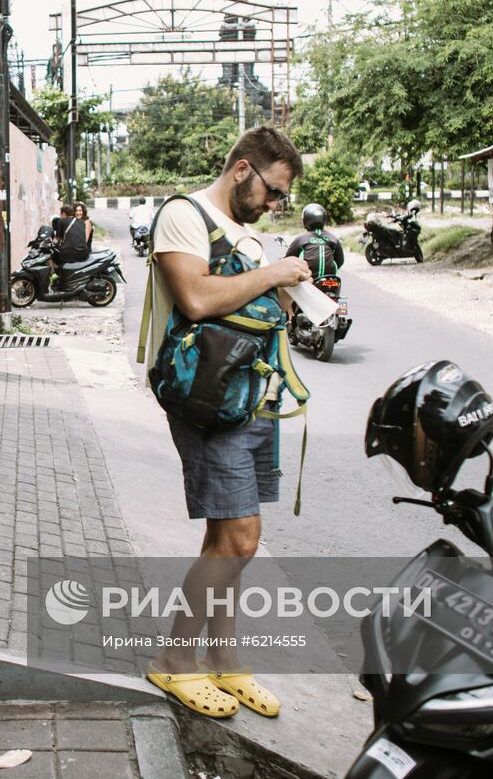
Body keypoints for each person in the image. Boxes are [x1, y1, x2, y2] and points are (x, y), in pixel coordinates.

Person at [140, 126, 311, 720]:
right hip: (208, 401)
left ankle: (225, 659)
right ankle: (174, 661)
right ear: (243, 170)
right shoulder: (184, 217)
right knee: (239, 540)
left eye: (282, 198)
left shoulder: (251, 239)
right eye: (273, 191)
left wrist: (296, 293)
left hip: (253, 398)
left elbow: (258, 313)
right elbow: (196, 299)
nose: (275, 205)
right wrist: (270, 276)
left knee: (229, 541)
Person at [285, 203, 345, 280]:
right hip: (330, 280)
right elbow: (340, 260)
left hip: (309, 280)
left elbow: (289, 258)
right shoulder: (333, 238)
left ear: (305, 219)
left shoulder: (301, 239)